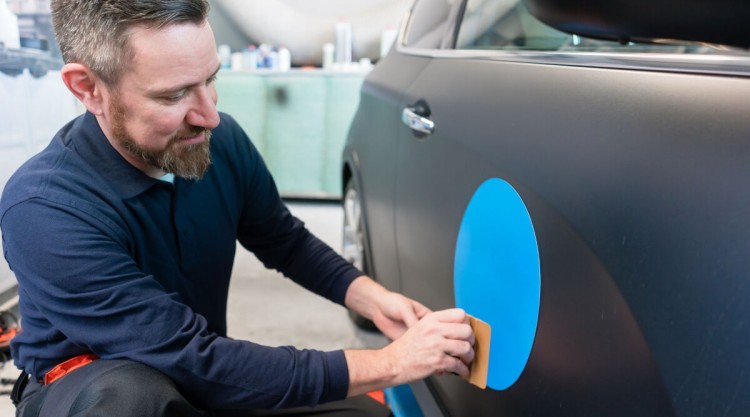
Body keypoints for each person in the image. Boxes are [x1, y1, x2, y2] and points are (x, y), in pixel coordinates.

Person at [0, 1, 476, 416]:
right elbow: (194, 359)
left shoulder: (217, 140)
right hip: (92, 390)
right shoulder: (44, 210)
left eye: (211, 79)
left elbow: (284, 241)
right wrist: (393, 363)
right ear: (88, 88)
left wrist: (376, 300)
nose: (208, 114)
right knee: (132, 398)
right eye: (174, 95)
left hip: (195, 374)